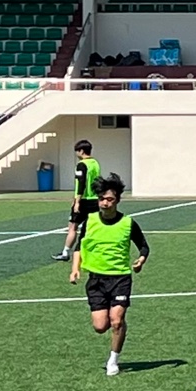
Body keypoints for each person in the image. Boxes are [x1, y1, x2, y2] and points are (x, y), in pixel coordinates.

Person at [68, 173, 149, 377]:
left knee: (116, 320)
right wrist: (75, 269)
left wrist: (140, 260)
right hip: (96, 279)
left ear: (117, 200)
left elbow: (143, 246)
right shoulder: (90, 221)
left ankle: (113, 360)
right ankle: (117, 327)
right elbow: (79, 246)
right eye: (102, 199)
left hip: (120, 278)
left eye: (110, 199)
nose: (105, 203)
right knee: (100, 326)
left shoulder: (128, 223)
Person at [53, 140, 101, 262]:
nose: (76, 154)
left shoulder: (82, 165)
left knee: (72, 227)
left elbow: (81, 183)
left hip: (84, 200)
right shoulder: (95, 163)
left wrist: (77, 201)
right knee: (91, 227)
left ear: (81, 151)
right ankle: (91, 251)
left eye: (77, 151)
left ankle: (65, 252)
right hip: (95, 200)